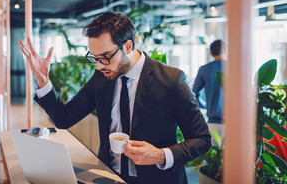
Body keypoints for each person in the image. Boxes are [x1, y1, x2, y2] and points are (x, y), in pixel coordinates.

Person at [19, 12, 211, 184]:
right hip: (109, 176)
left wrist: (160, 155)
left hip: (158, 178)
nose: (99, 66)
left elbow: (202, 139)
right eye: (94, 57)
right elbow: (64, 118)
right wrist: (43, 80)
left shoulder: (171, 80)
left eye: (105, 56)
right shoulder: (101, 78)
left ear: (128, 46)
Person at [192, 39, 226, 138]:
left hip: (213, 122)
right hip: (233, 123)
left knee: (213, 153)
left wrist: (204, 106)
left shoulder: (204, 69)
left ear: (211, 53)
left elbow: (193, 94)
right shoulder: (233, 67)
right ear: (225, 50)